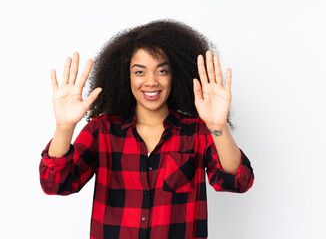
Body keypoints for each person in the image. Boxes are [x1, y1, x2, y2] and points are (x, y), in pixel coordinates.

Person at [39, 20, 254, 239]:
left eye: (162, 70)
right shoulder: (102, 131)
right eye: (139, 72)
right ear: (126, 76)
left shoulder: (197, 133)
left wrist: (218, 127)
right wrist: (64, 127)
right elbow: (55, 183)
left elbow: (238, 181)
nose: (151, 81)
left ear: (176, 75)